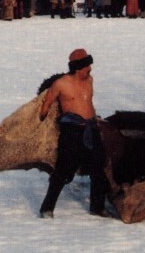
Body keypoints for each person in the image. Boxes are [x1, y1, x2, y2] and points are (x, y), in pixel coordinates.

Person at [38, 48, 109, 218]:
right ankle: (47, 208)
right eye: (87, 67)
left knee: (99, 168)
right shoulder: (61, 84)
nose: (90, 69)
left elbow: (87, 102)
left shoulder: (89, 80)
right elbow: (45, 106)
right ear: (77, 68)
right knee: (63, 171)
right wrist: (43, 127)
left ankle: (97, 207)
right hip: (72, 132)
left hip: (91, 129)